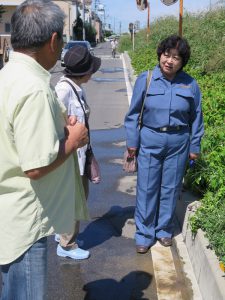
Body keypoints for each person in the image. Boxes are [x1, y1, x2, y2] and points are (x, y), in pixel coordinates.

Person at [0, 0, 88, 299]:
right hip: (26, 223)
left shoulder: (8, 76)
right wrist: (73, 139)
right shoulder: (34, 88)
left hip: (8, 215)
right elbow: (36, 166)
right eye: (62, 38)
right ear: (53, 40)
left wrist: (62, 129)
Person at [124, 35, 204, 253]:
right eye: (166, 55)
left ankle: (164, 231)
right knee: (147, 188)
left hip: (178, 142)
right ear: (160, 54)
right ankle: (144, 233)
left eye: (176, 57)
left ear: (182, 61)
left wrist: (194, 147)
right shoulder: (147, 78)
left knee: (170, 188)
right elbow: (132, 115)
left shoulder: (190, 84)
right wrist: (133, 143)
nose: (169, 60)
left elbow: (197, 117)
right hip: (150, 139)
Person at [55, 45, 101, 260]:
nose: (92, 73)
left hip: (78, 154)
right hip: (71, 156)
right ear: (84, 72)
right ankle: (67, 244)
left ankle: (62, 234)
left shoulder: (75, 87)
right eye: (91, 69)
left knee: (76, 196)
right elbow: (54, 120)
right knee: (75, 198)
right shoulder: (64, 90)